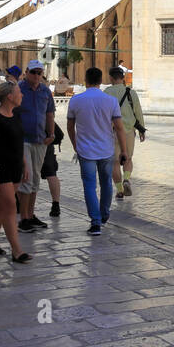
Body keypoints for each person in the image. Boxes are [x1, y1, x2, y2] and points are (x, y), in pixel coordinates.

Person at [66, 67, 128, 235]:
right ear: (101, 81)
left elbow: (70, 127)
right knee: (106, 182)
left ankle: (95, 221)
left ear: (85, 80)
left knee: (89, 185)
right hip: (106, 149)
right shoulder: (110, 101)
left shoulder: (76, 100)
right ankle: (104, 213)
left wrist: (75, 144)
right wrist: (124, 150)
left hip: (85, 149)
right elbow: (120, 128)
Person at [0, 81, 30, 263]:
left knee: (1, 206)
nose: (22, 95)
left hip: (15, 167)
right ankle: (17, 250)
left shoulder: (15, 115)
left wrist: (24, 162)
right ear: (10, 96)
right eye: (19, 92)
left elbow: (18, 142)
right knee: (10, 206)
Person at [13, 60, 56, 232]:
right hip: (22, 140)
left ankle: (30, 214)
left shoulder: (45, 91)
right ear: (26, 72)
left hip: (40, 140)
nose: (37, 76)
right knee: (27, 178)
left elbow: (49, 113)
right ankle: (23, 217)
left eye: (39, 73)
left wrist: (51, 134)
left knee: (36, 179)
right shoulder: (17, 89)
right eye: (34, 72)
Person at [104, 66, 145, 198]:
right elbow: (138, 111)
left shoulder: (107, 92)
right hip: (128, 130)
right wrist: (141, 130)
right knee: (128, 158)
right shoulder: (131, 92)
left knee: (115, 161)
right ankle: (126, 178)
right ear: (123, 78)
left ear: (111, 78)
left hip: (112, 131)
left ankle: (120, 189)